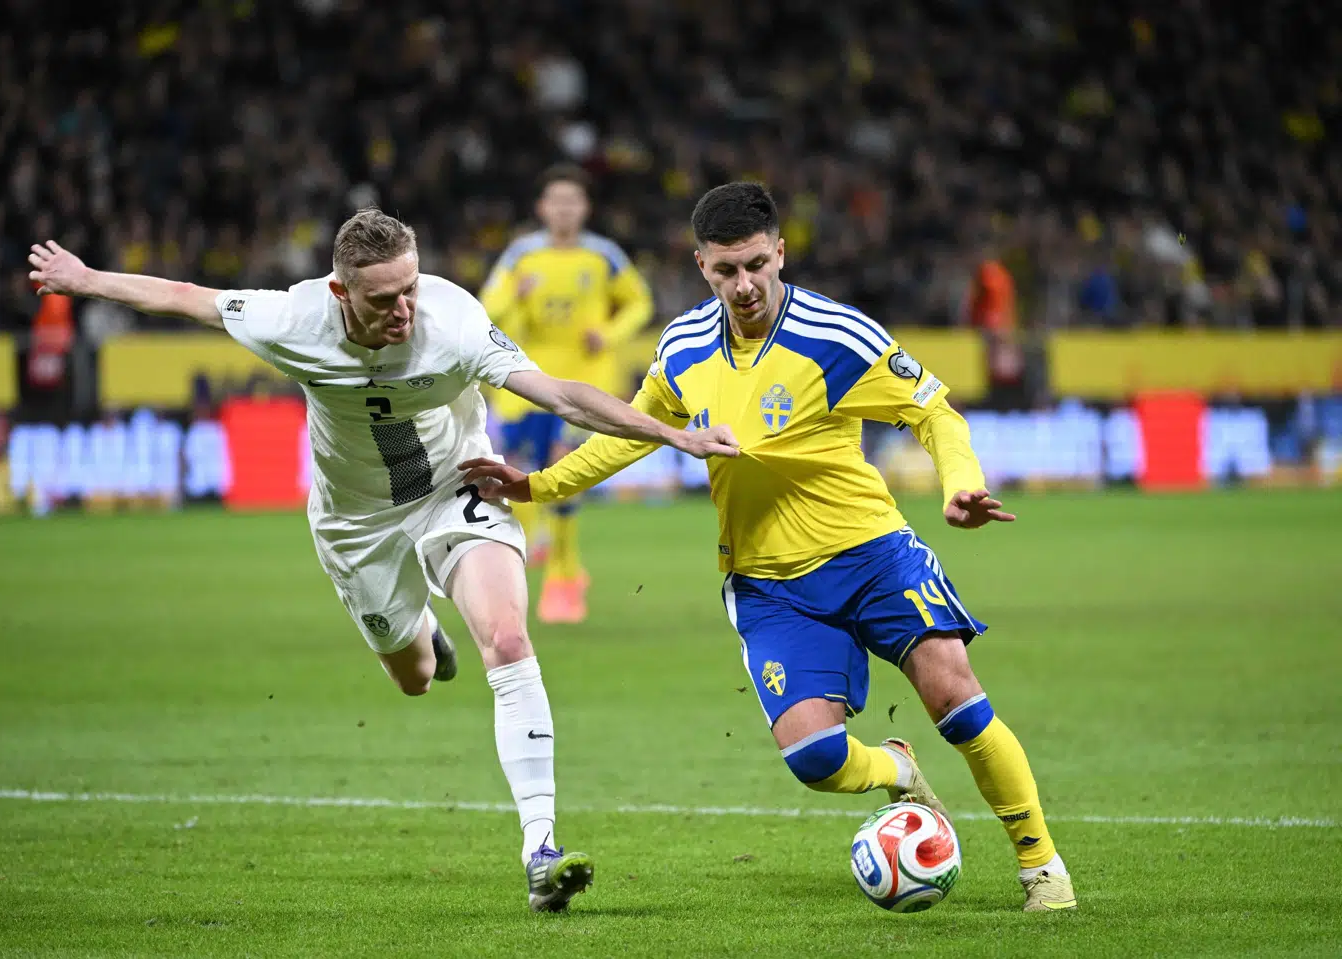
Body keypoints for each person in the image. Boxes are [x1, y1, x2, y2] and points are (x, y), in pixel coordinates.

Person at [27, 209, 738, 912]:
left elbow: (559, 395)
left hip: (457, 485)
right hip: (356, 524)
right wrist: (84, 279)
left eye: (411, 287)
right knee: (416, 677)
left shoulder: (452, 320)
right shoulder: (294, 319)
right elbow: (188, 297)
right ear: (342, 293)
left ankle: (540, 848)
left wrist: (671, 435)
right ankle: (423, 631)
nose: (404, 308)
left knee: (509, 638)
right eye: (383, 298)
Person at [461, 183, 1077, 912]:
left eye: (756, 263)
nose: (744, 284)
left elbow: (933, 411)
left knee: (956, 699)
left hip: (871, 553)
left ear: (780, 251)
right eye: (726, 271)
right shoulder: (684, 347)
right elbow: (629, 430)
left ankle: (1040, 864)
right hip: (766, 582)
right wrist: (538, 487)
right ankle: (895, 766)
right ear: (700, 267)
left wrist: (961, 483)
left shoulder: (837, 335)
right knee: (814, 759)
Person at [480, 165, 654, 623]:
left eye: (571, 201)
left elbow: (640, 303)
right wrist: (514, 293)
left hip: (583, 380)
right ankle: (547, 557)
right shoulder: (521, 256)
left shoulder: (604, 255)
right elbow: (487, 308)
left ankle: (562, 577)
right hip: (526, 380)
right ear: (541, 208)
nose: (563, 209)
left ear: (584, 208)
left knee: (562, 467)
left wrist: (609, 332)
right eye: (555, 201)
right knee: (518, 470)